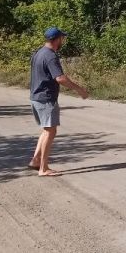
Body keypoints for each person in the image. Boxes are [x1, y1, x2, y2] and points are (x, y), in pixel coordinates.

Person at [28, 27, 89, 176]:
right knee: (51, 131)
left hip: (36, 97)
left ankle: (35, 161)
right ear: (56, 40)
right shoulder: (50, 56)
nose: (63, 41)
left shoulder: (38, 53)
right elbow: (60, 78)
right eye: (62, 38)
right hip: (46, 99)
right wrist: (79, 89)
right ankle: (43, 168)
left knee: (46, 130)